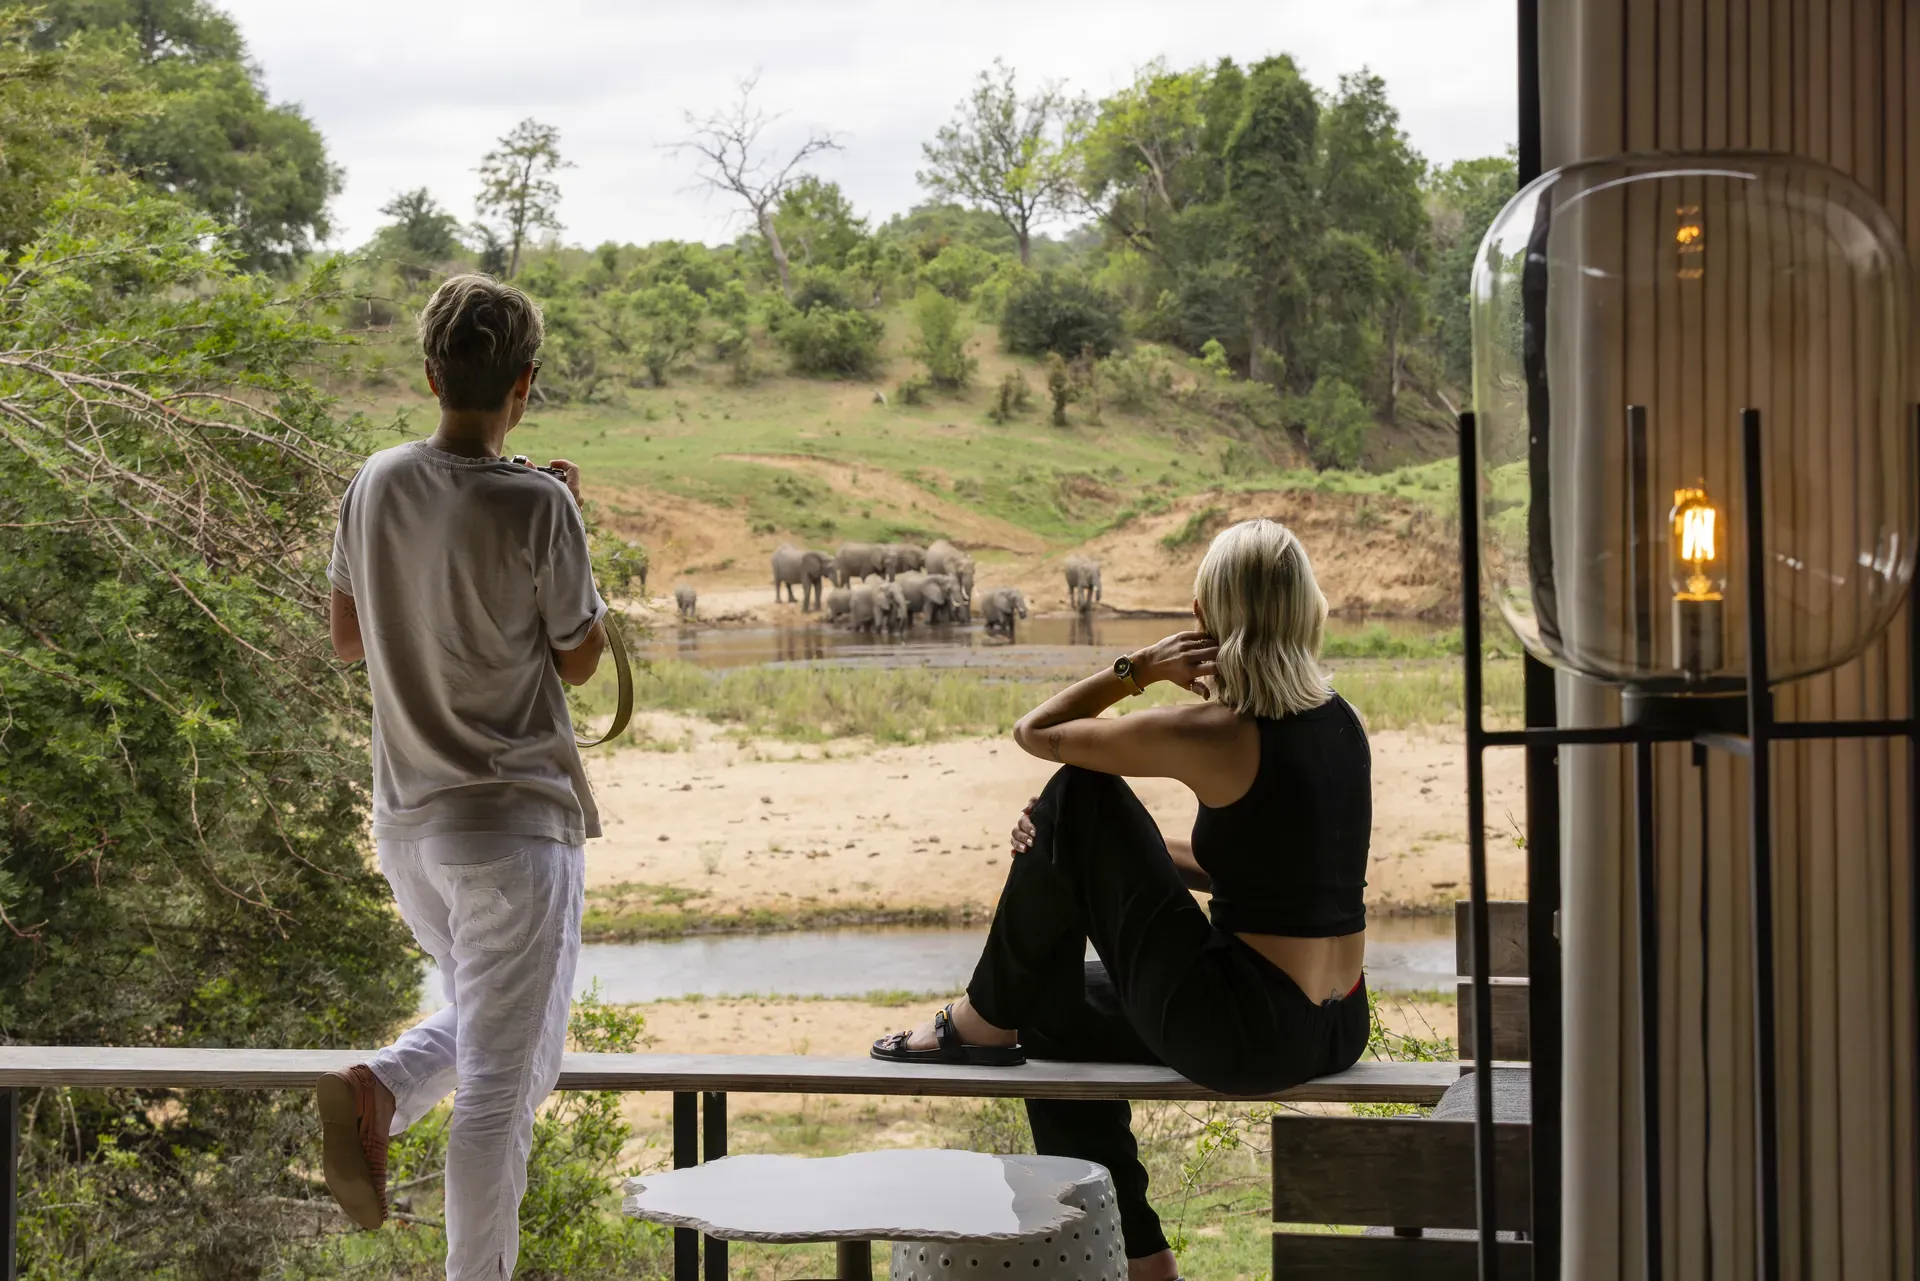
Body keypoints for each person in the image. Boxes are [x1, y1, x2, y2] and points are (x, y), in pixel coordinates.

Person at [872, 518, 1372, 1281]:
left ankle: (978, 1018)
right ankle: (1146, 1259)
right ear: (1309, 608)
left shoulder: (1218, 728)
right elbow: (1255, 870)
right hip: (1337, 1022)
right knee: (1050, 1004)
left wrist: (1138, 666)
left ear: (1206, 619)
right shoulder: (1342, 721)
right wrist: (1081, 856)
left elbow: (1038, 732)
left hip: (1244, 1030)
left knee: (1077, 788)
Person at [318, 274, 607, 1280]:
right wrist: (568, 517)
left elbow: (347, 639)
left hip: (409, 828)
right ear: (523, 384)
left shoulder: (375, 481)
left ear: (430, 373)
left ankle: (386, 1085)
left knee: (517, 1038)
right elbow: (579, 660)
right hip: (513, 832)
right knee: (499, 1082)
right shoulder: (539, 503)